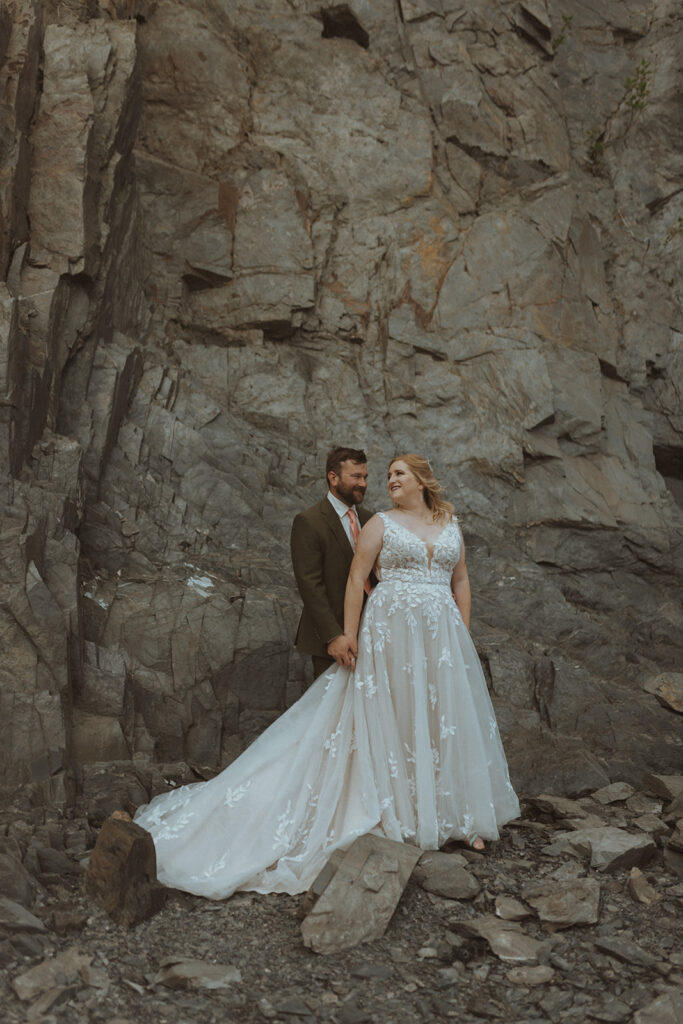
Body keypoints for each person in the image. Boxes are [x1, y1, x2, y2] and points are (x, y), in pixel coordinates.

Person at [134, 454, 520, 899]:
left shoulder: (450, 524)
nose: (390, 480)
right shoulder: (380, 525)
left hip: (441, 642)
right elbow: (355, 581)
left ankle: (460, 817)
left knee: (443, 721)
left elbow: (461, 581)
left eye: (399, 474)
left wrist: (462, 637)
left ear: (422, 481)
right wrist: (350, 635)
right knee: (393, 717)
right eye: (388, 474)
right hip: (391, 635)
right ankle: (405, 817)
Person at [290, 447, 374, 680]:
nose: (363, 483)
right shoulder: (309, 521)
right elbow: (310, 586)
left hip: (371, 635)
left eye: (365, 477)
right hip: (330, 642)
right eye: (355, 477)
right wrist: (333, 636)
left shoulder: (371, 520)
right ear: (333, 478)